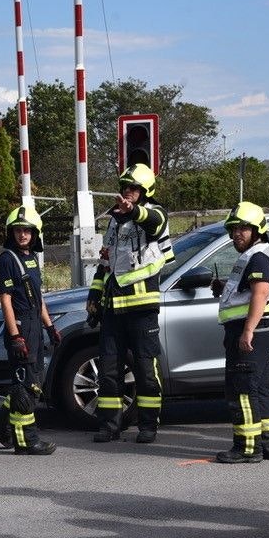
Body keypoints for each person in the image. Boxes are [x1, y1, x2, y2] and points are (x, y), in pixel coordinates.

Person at [86, 163, 170, 443]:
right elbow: (106, 262)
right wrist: (94, 296)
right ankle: (109, 425)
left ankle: (148, 426)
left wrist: (133, 210)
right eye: (125, 187)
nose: (127, 192)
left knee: (146, 370)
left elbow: (152, 221)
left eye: (133, 188)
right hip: (113, 310)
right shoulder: (114, 220)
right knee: (109, 370)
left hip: (142, 309)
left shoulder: (155, 213)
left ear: (145, 191)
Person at [211, 202, 269, 463]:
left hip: (253, 331)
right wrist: (224, 289)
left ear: (257, 230)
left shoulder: (259, 257)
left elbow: (260, 294)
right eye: (234, 229)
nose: (236, 234)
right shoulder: (254, 255)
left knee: (242, 390)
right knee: (260, 388)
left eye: (243, 228)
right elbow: (248, 292)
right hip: (259, 330)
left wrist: (248, 331)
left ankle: (247, 448)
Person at [0, 205, 58, 455]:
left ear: (34, 233)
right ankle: (26, 440)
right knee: (25, 387)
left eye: (26, 230)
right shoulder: (7, 259)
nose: (22, 235)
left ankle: (0, 430)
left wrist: (50, 327)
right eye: (17, 230)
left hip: (35, 326)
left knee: (31, 382)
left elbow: (37, 299)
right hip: (20, 328)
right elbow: (5, 299)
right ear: (11, 233)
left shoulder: (32, 259)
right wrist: (15, 335)